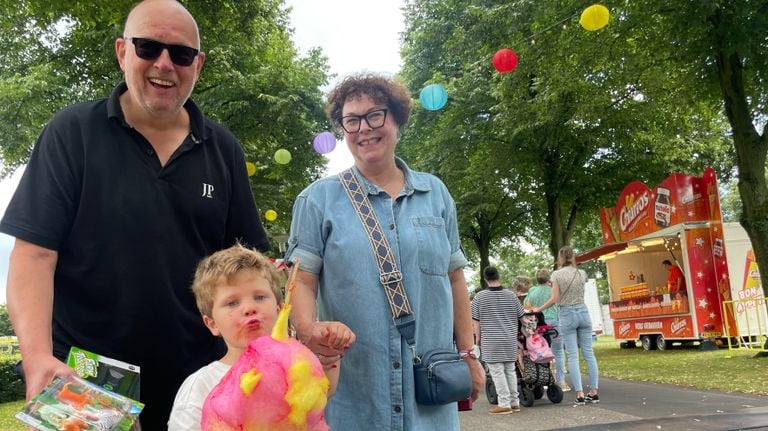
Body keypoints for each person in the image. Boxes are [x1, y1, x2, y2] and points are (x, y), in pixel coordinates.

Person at [0, 1, 270, 428]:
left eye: (180, 54)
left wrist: (275, 345)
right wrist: (36, 357)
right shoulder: (71, 133)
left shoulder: (224, 149)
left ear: (197, 64)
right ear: (123, 52)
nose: (164, 63)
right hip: (88, 379)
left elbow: (249, 266)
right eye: (148, 47)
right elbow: (33, 255)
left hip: (200, 377)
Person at [285, 73, 484, 430]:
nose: (364, 128)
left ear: (397, 119)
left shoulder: (436, 194)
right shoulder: (317, 200)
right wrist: (308, 330)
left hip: (429, 392)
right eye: (351, 120)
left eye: (375, 115)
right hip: (352, 393)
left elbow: (455, 279)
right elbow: (301, 279)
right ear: (342, 130)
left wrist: (469, 354)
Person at [167, 244, 354, 430]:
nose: (249, 308)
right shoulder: (201, 385)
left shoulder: (295, 364)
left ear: (280, 309)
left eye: (259, 297)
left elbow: (324, 391)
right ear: (212, 323)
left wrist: (330, 349)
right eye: (232, 303)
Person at [532, 246, 600, 405]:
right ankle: (594, 392)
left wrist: (539, 309)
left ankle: (580, 394)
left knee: (573, 355)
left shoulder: (556, 274)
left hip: (567, 314)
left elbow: (555, 298)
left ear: (560, 258)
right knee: (589, 353)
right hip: (583, 312)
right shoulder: (581, 273)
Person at [471, 266, 524, 414]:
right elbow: (522, 316)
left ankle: (504, 404)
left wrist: (478, 339)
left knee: (497, 371)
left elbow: (476, 322)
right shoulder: (511, 295)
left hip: (491, 340)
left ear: (485, 279)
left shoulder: (479, 297)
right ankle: (515, 402)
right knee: (510, 370)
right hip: (509, 339)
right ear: (498, 276)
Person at [523, 269, 568, 391]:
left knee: (539, 351)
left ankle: (543, 378)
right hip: (553, 323)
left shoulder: (532, 292)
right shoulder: (553, 290)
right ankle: (561, 381)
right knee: (558, 352)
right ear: (548, 278)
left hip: (537, 324)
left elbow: (526, 306)